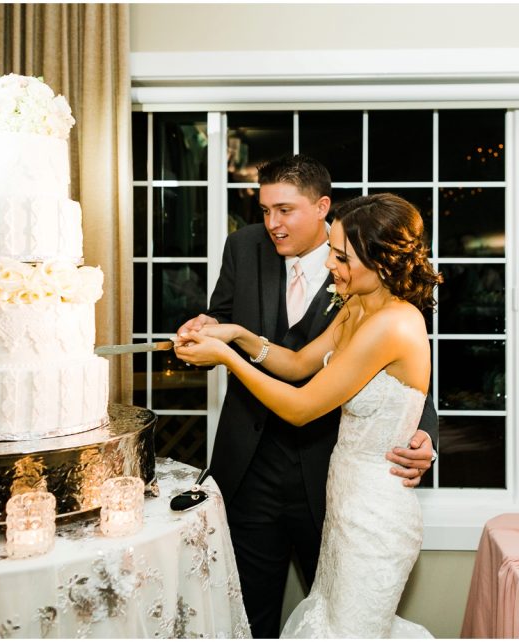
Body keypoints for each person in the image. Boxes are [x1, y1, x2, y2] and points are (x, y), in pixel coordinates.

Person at [174, 156, 437, 638]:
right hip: (301, 483)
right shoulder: (356, 304)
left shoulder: (392, 322)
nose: (331, 266)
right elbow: (296, 363)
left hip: (363, 502)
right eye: (265, 210)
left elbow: (307, 404)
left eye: (341, 257)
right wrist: (232, 333)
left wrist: (229, 359)